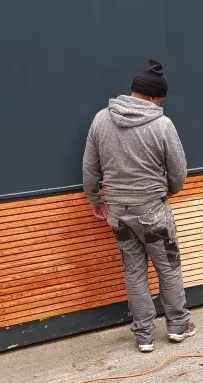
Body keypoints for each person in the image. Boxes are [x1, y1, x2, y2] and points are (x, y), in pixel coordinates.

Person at [82, 60, 196, 352]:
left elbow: (90, 169)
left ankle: (144, 336)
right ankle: (178, 326)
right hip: (153, 212)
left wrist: (96, 200)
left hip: (118, 213)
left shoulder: (100, 119)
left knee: (134, 272)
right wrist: (168, 190)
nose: (160, 106)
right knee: (168, 269)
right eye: (159, 100)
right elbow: (178, 172)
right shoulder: (161, 124)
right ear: (151, 96)